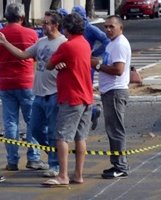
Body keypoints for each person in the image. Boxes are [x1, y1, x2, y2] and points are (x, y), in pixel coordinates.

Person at [0, 10, 61, 177]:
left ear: (55, 25)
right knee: (36, 128)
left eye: (46, 23)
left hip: (53, 93)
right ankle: (49, 154)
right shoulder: (39, 41)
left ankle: (54, 163)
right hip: (35, 92)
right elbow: (23, 55)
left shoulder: (63, 43)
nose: (42, 25)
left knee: (50, 129)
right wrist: (5, 42)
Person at [42, 11, 94, 187]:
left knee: (61, 136)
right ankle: (78, 174)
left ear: (66, 28)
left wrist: (58, 63)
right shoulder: (85, 44)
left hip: (71, 96)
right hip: (86, 95)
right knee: (81, 137)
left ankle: (63, 175)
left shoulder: (67, 46)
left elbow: (49, 65)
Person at [0, 2, 42, 172]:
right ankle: (33, 158)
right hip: (26, 81)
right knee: (31, 121)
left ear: (6, 17)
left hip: (6, 82)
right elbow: (35, 57)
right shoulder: (31, 34)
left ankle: (12, 160)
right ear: (22, 17)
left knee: (10, 122)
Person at [96, 16, 132, 179]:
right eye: (106, 27)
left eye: (112, 26)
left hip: (115, 91)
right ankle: (117, 163)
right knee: (112, 129)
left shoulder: (119, 44)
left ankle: (121, 166)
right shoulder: (112, 43)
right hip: (109, 91)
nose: (108, 30)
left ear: (120, 28)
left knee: (116, 129)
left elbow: (118, 70)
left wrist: (96, 65)